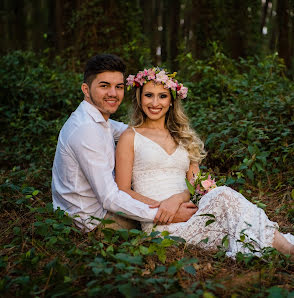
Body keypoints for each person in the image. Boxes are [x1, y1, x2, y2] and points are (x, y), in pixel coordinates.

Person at [115, 67, 294, 261]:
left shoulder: (182, 136)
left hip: (189, 212)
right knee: (227, 202)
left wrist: (177, 200)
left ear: (171, 101)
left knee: (236, 219)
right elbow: (122, 190)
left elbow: (195, 185)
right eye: (149, 95)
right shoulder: (130, 136)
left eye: (162, 96)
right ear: (139, 97)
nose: (155, 102)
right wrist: (162, 209)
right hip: (161, 225)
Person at [51, 54, 196, 232]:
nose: (113, 93)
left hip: (108, 207)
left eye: (118, 87)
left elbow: (136, 132)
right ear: (86, 90)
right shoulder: (85, 130)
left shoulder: (100, 121)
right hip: (95, 220)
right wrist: (166, 212)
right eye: (104, 86)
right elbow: (110, 197)